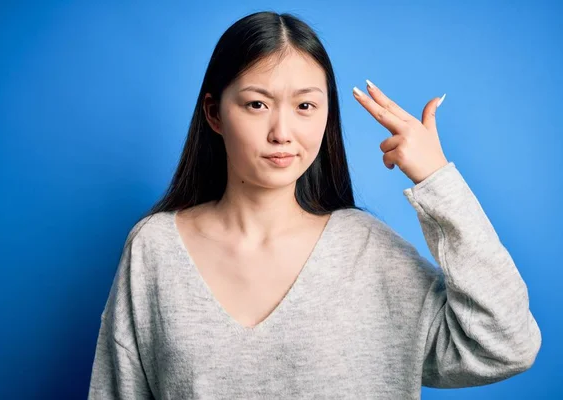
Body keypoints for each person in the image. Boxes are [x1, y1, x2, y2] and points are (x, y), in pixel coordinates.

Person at [87, 10, 541, 400]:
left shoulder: (366, 252)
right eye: (257, 104)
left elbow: (505, 343)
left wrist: (437, 180)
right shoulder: (155, 249)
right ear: (214, 113)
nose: (282, 132)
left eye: (305, 106)